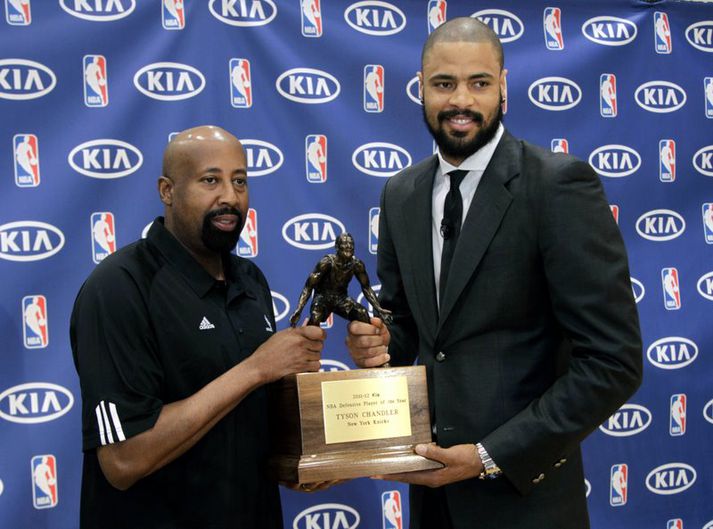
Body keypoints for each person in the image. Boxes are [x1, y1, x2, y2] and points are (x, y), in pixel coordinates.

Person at [346, 18, 642, 529]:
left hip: (529, 505)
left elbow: (614, 363)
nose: (461, 100)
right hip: (432, 502)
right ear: (421, 89)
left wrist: (489, 455)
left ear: (502, 88)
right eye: (444, 84)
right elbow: (407, 329)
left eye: (479, 83)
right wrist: (379, 344)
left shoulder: (556, 186)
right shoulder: (400, 194)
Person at [70, 126, 327, 529]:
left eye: (239, 181)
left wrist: (304, 462)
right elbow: (123, 459)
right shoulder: (119, 287)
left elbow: (247, 428)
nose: (229, 196)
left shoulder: (250, 280)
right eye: (211, 180)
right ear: (167, 191)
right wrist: (255, 369)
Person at [289, 232, 391, 327]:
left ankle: (366, 344)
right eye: (345, 243)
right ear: (337, 247)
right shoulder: (326, 263)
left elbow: (366, 287)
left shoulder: (357, 264)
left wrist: (379, 309)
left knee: (362, 313)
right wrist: (299, 310)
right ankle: (307, 342)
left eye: (351, 244)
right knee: (315, 317)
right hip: (323, 297)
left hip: (341, 298)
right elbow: (308, 286)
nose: (348, 246)